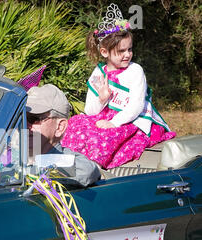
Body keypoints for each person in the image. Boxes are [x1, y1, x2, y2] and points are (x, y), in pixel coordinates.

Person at [61, 3, 176, 169]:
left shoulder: (135, 71)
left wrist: (114, 123)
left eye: (129, 49)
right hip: (103, 119)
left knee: (101, 141)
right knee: (73, 128)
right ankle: (69, 167)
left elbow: (136, 106)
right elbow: (90, 111)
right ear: (104, 52)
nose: (127, 54)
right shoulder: (98, 72)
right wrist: (102, 99)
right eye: (121, 51)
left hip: (129, 121)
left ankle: (92, 171)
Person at [26, 84, 101, 187]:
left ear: (60, 127)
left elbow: (86, 170)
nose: (24, 125)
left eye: (33, 118)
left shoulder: (65, 159)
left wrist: (22, 173)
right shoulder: (9, 151)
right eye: (20, 117)